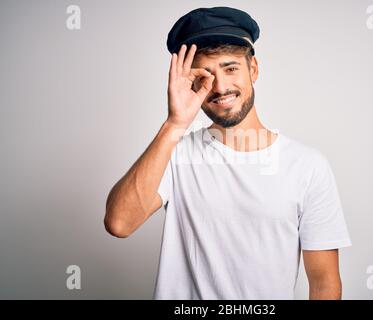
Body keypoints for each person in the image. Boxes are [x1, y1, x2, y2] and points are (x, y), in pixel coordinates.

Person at [104, 6, 352, 300]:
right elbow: (119, 223)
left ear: (254, 69)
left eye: (230, 68)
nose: (220, 87)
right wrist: (175, 124)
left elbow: (324, 282)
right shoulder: (176, 153)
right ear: (190, 82)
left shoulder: (307, 166)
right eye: (205, 75)